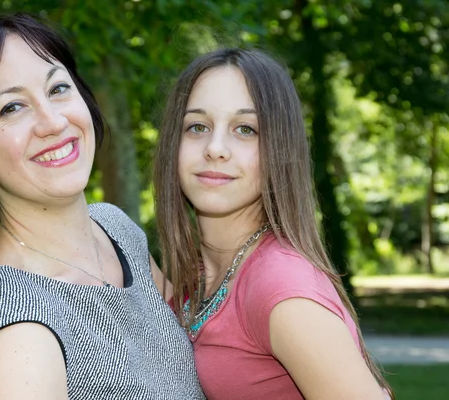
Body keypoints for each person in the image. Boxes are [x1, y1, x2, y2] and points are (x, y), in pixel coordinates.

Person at [0, 13, 204, 400]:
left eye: (58, 88)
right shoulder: (14, 335)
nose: (52, 121)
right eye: (11, 108)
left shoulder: (114, 228)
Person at [153, 48, 394, 400]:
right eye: (198, 126)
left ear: (278, 149)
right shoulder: (199, 279)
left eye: (246, 129)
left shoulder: (282, 287)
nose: (215, 148)